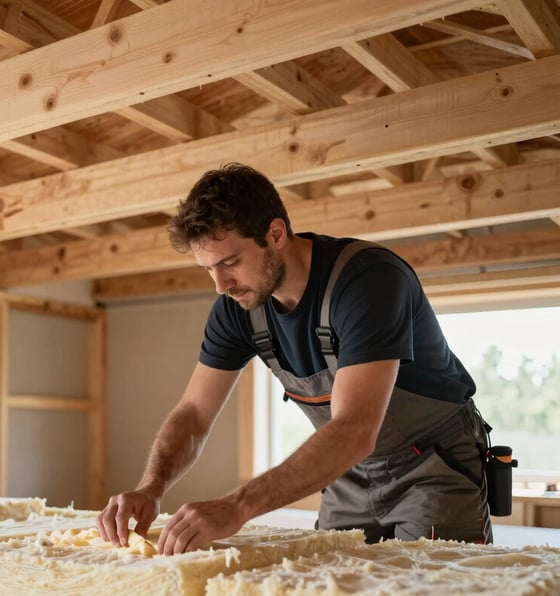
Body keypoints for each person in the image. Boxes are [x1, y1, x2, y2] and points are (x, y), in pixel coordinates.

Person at [97, 163, 492, 555]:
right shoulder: (238, 307)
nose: (220, 286)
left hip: (432, 470)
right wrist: (152, 486)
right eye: (208, 269)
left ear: (275, 233)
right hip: (348, 475)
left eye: (230, 263)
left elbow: (355, 429)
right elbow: (195, 413)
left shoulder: (368, 280)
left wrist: (236, 507)